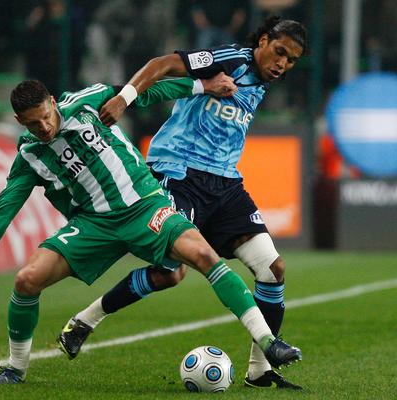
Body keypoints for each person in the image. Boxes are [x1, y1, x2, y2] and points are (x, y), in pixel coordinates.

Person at [0, 75, 302, 384]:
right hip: (95, 225)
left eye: (45, 117)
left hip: (146, 206)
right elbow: (2, 211)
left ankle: (268, 343)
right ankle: (15, 369)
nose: (43, 128)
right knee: (27, 280)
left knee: (202, 256)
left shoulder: (88, 103)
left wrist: (202, 86)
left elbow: (146, 90)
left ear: (53, 103)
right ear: (18, 120)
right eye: (32, 124)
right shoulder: (30, 154)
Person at [59, 16, 307, 390]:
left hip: (225, 183)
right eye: (279, 52)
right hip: (179, 172)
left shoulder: (261, 80)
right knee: (170, 273)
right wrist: (125, 98)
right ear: (262, 41)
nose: (282, 64)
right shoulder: (231, 59)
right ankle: (85, 320)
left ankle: (260, 371)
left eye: (291, 60)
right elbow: (163, 64)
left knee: (273, 268)